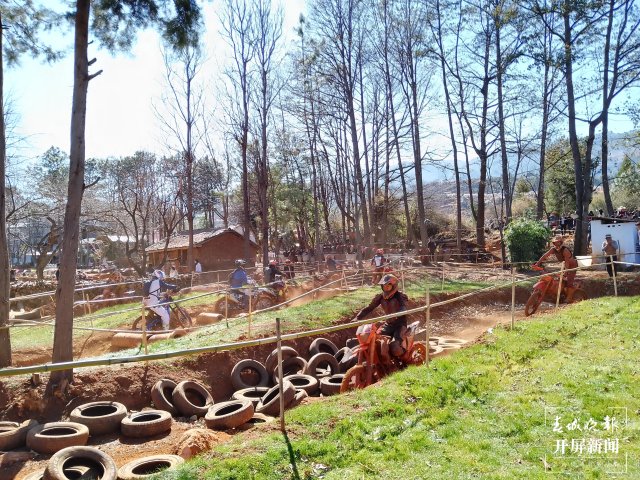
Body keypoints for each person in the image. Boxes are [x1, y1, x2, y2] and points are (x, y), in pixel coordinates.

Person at [355, 274, 408, 362]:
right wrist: (357, 317)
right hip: (388, 324)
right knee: (374, 340)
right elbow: (370, 307)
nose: (386, 287)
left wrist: (397, 314)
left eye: (388, 285)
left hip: (400, 325)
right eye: (384, 285)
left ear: (394, 286)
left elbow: (404, 307)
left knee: (395, 347)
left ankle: (405, 358)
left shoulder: (400, 296)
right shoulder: (380, 297)